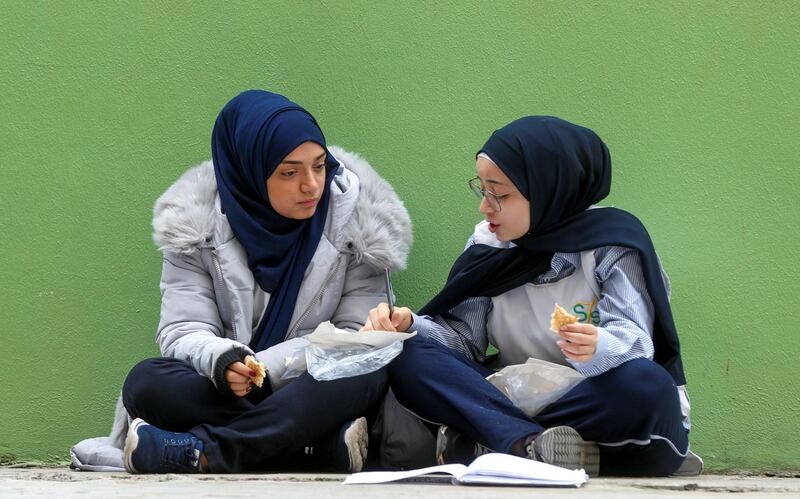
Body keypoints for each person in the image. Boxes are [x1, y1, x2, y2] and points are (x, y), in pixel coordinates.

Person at [361, 116, 697, 477]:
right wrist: (410, 325)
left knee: (647, 384)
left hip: (596, 400)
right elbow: (463, 342)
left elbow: (638, 343)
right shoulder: (489, 246)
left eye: (501, 194)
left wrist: (599, 345)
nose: (485, 207)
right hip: (513, 395)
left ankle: (494, 439)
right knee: (407, 352)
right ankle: (531, 444)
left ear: (548, 189)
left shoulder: (611, 242)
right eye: (483, 190)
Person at [120, 90, 412, 474]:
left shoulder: (359, 224)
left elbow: (355, 336)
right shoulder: (195, 227)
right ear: (250, 173)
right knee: (145, 382)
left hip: (309, 385)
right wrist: (222, 360)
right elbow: (181, 329)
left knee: (366, 371)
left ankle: (202, 452)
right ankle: (310, 448)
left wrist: (268, 370)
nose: (311, 185)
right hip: (226, 390)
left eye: (320, 166)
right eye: (289, 172)